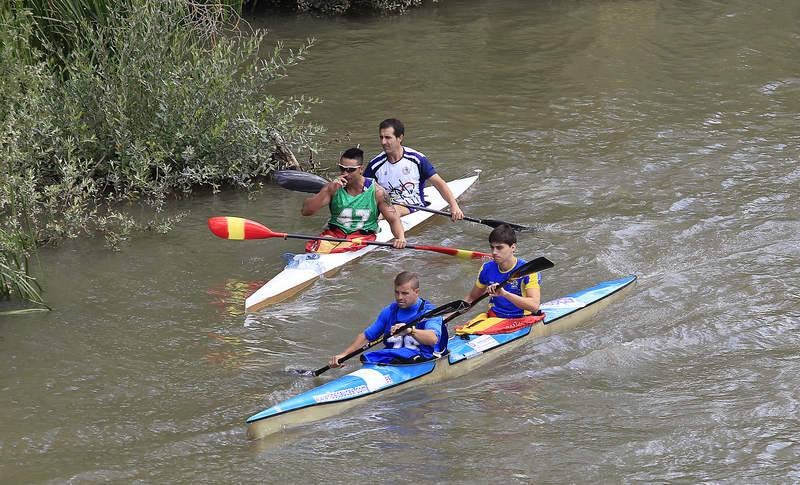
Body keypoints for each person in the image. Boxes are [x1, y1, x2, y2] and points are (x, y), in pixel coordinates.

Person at [329, 271, 447, 367]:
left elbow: (433, 339)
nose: (399, 297)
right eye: (397, 292)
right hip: (391, 360)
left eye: (405, 293)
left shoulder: (429, 312)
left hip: (421, 360)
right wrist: (343, 355)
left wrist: (410, 331)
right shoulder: (389, 311)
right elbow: (366, 336)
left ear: (416, 292)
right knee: (368, 357)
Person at [301, 147, 406, 252]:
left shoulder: (378, 192)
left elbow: (393, 219)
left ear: (361, 169)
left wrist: (400, 238)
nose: (345, 174)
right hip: (334, 235)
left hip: (362, 237)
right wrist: (326, 190)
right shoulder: (332, 187)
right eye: (342, 169)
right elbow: (306, 211)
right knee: (315, 248)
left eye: (351, 170)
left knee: (337, 249)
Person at [363, 118, 465, 221]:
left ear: (400, 138)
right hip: (386, 206)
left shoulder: (417, 159)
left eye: (388, 137)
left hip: (413, 205)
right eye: (381, 137)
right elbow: (360, 188)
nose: (383, 142)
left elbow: (439, 183)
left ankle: (373, 222)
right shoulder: (375, 164)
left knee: (389, 210)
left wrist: (454, 206)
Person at [461, 224, 541, 325]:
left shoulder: (529, 271)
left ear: (513, 247)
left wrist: (504, 294)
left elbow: (534, 306)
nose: (494, 252)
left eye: (499, 248)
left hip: (522, 319)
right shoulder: (486, 268)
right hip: (494, 317)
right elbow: (472, 298)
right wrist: (445, 317)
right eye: (492, 247)